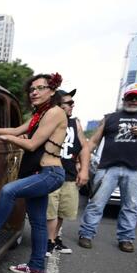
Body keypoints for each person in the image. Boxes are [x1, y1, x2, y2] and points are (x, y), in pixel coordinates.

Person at [0, 73, 67, 273]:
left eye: (40, 88)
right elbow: (18, 129)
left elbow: (32, 144)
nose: (34, 92)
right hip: (40, 172)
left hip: (49, 173)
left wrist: (6, 137)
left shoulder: (54, 112)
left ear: (52, 91)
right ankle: (36, 266)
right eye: (32, 89)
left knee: (9, 191)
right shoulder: (39, 114)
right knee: (38, 222)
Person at [78, 82, 137, 252]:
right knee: (96, 203)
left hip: (135, 170)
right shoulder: (109, 118)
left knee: (130, 206)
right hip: (107, 168)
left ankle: (126, 239)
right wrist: (82, 162)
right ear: (124, 98)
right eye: (130, 97)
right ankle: (86, 234)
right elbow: (92, 142)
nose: (134, 100)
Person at [45, 89, 91, 256]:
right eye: (69, 103)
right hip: (50, 172)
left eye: (73, 102)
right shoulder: (48, 120)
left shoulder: (75, 123)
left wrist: (84, 169)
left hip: (69, 175)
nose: (73, 105)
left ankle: (55, 238)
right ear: (58, 105)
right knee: (50, 210)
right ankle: (48, 241)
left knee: (63, 210)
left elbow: (84, 147)